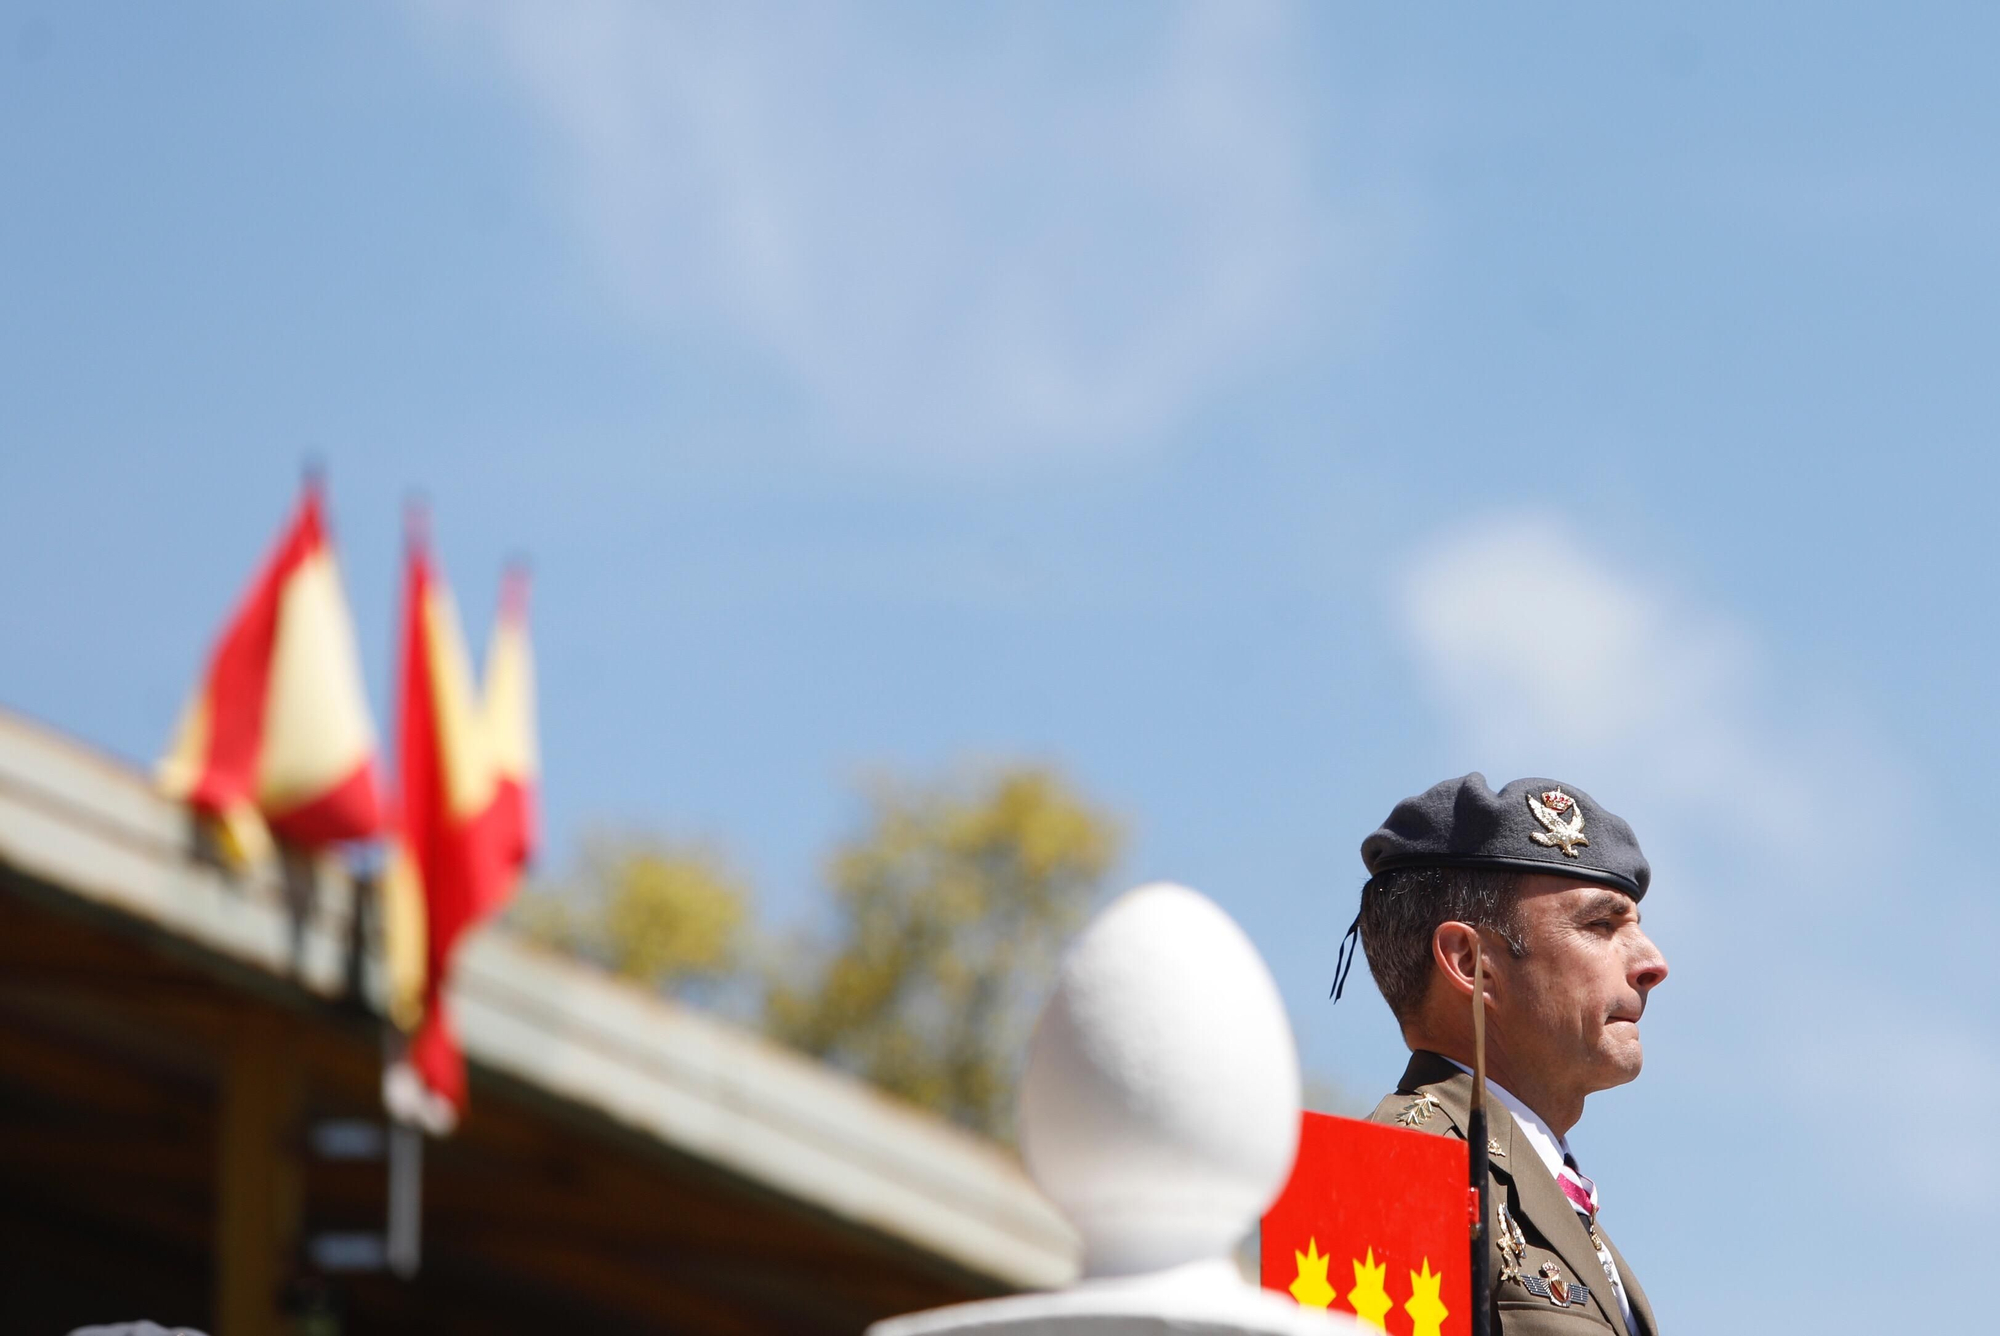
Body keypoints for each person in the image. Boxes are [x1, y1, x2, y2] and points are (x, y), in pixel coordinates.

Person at [1349, 773, 1668, 1335]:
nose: (1652, 962)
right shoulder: (1398, 1172)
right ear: (1471, 963)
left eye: (1635, 925)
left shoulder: (1520, 1180)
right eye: (1601, 924)